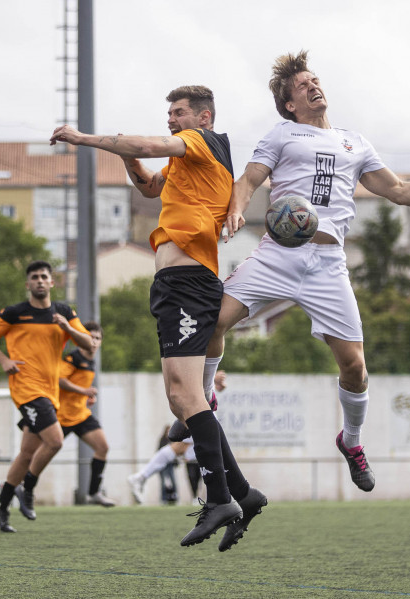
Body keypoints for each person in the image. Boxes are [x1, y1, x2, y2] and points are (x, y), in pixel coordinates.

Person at [207, 50, 410, 493]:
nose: (313, 86)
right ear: (289, 104)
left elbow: (396, 190)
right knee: (212, 321)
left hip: (327, 264)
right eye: (301, 85)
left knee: (355, 367)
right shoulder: (282, 135)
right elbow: (248, 180)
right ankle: (206, 400)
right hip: (278, 254)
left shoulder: (355, 143)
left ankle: (351, 441)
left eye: (314, 79)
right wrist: (236, 211)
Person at [50, 86, 266, 550]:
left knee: (184, 396)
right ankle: (242, 494)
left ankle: (223, 498)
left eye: (179, 112)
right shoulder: (188, 162)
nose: (171, 119)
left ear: (204, 117)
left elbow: (148, 145)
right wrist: (129, 160)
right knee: (181, 398)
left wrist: (84, 139)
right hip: (175, 286)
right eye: (168, 112)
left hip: (190, 284)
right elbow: (150, 184)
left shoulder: (204, 143)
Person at [0, 260, 96, 532]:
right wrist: (3, 360)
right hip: (26, 388)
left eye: (45, 276)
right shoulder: (14, 313)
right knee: (54, 441)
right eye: (35, 277)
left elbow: (89, 343)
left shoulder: (64, 312)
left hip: (50, 391)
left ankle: (1, 505)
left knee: (27, 452)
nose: (40, 281)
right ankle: (27, 488)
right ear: (27, 284)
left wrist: (67, 328)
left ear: (52, 283)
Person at [128, 370, 229, 507]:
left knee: (190, 448)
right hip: (196, 406)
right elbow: (189, 371)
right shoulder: (190, 353)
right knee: (207, 446)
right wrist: (211, 378)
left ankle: (140, 477)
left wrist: (212, 385)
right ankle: (227, 495)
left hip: (199, 404)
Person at [57, 321, 115, 507]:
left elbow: (79, 387)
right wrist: (84, 392)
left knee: (103, 447)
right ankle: (13, 486)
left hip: (81, 415)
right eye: (91, 337)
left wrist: (87, 398)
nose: (94, 341)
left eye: (98, 338)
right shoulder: (73, 358)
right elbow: (59, 380)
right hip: (61, 416)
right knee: (36, 456)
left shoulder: (91, 361)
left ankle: (94, 493)